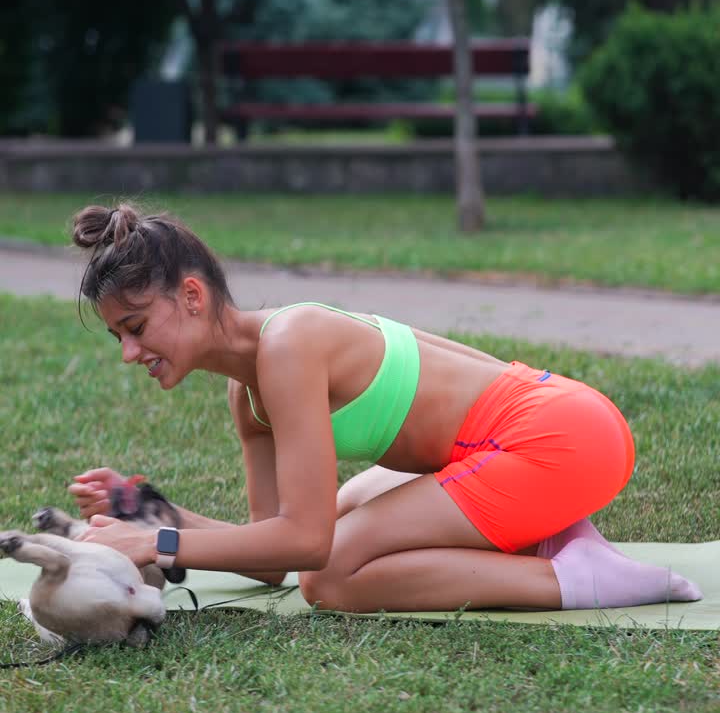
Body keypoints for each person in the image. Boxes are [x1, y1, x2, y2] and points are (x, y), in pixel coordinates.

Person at [70, 201, 701, 614]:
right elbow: (274, 559)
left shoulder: (289, 346)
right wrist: (159, 514)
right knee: (341, 515)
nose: (129, 352)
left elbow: (309, 551)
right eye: (118, 336)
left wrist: (161, 542)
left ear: (190, 295)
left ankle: (581, 579)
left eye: (136, 326)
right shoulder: (250, 392)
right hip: (512, 448)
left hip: (557, 440)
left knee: (333, 577)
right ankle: (548, 538)